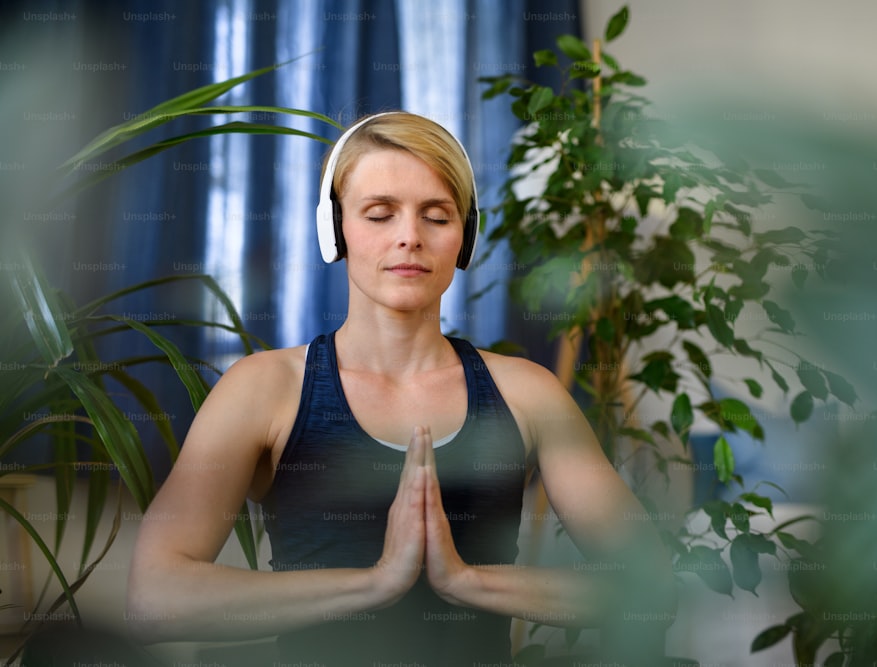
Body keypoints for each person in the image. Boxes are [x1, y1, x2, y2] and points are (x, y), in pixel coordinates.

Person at [126, 111, 673, 666]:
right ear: (335, 230)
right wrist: (377, 582)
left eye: (436, 216)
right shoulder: (263, 388)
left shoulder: (528, 394)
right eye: (380, 214)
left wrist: (463, 581)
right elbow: (155, 599)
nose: (409, 236)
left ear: (465, 237)